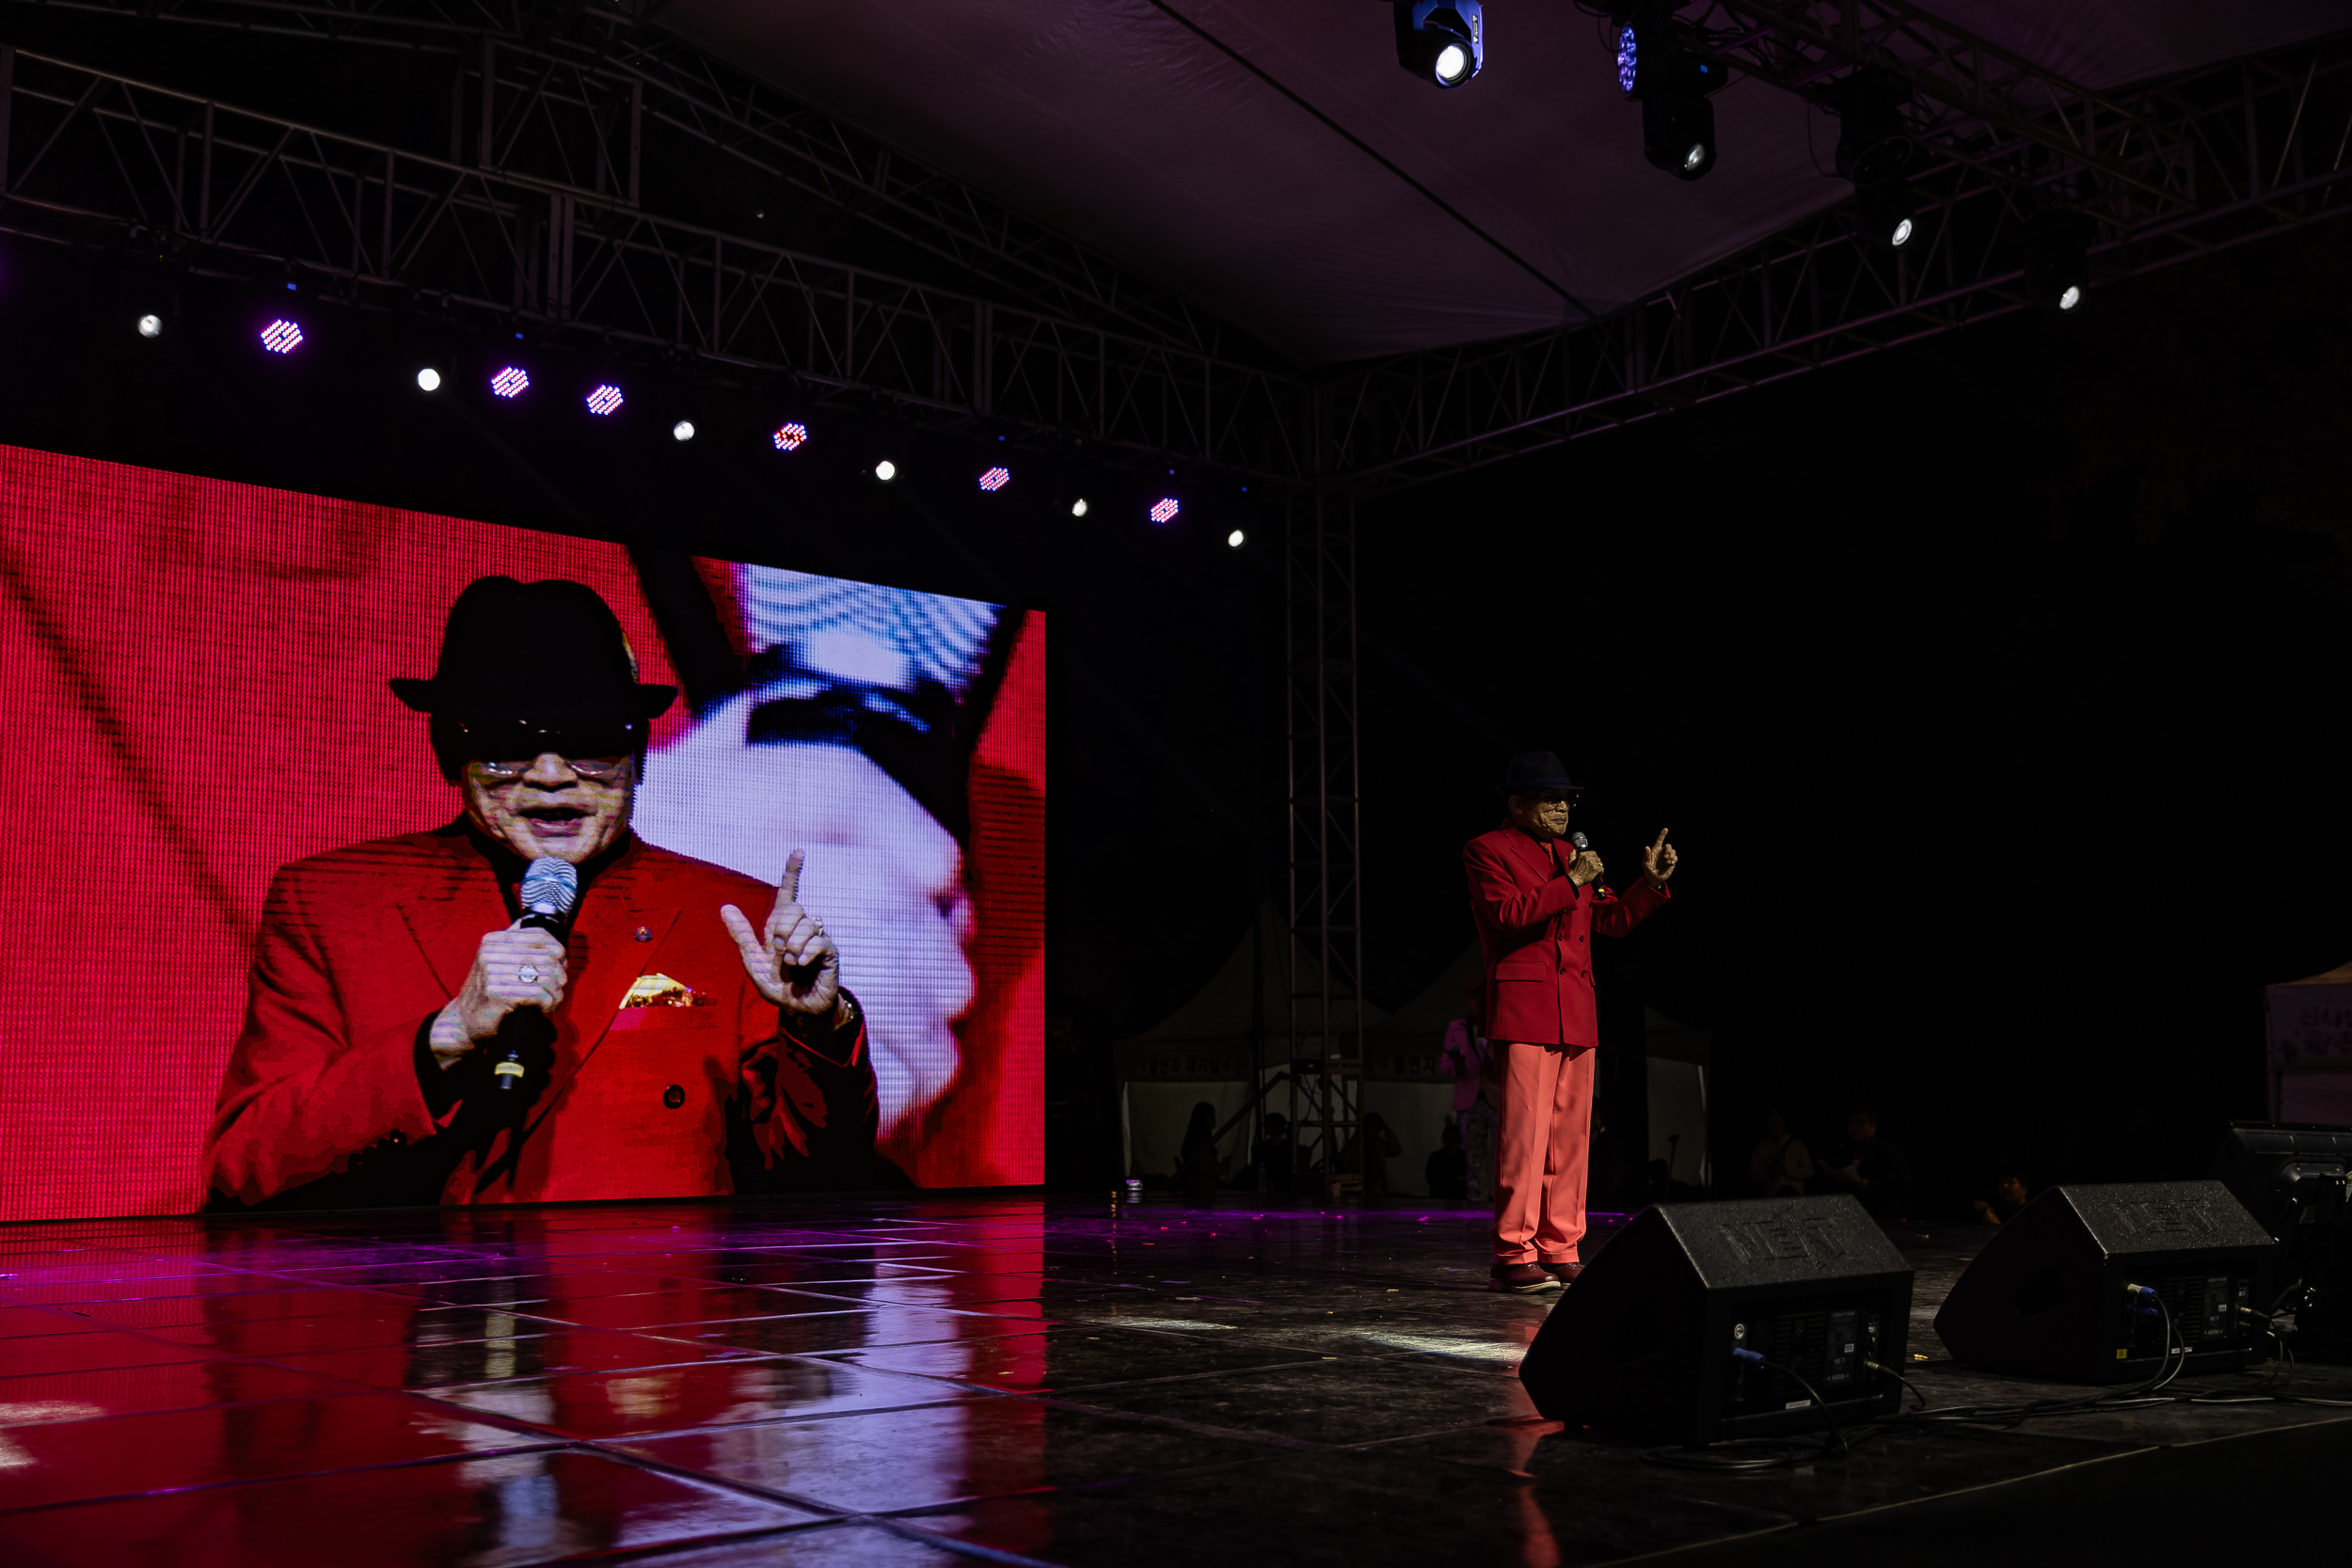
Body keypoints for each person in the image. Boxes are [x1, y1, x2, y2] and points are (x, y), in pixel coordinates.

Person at [203, 577, 882, 1209]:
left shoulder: (735, 917)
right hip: (407, 1319)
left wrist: (821, 1027)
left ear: (638, 753)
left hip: (649, 1321)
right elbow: (246, 1166)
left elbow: (817, 1180)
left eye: (589, 739)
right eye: (509, 741)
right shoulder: (334, 903)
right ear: (451, 751)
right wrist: (443, 1038)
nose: (552, 773)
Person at [1464, 752, 1675, 1291]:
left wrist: (1647, 885)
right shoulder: (1487, 850)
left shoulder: (1573, 854)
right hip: (1525, 1010)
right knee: (1524, 1139)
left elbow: (1612, 920)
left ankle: (1560, 1247)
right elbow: (1508, 915)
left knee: (1570, 1141)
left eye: (1567, 800)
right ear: (1517, 803)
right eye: (1550, 798)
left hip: (1576, 1012)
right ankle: (1512, 1253)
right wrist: (1570, 880)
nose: (1562, 808)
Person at [1817, 1108, 1915, 1219]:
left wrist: (1870, 1184)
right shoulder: (1844, 1149)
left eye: (1861, 1123)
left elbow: (1903, 1184)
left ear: (1873, 1126)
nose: (1855, 1127)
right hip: (1852, 1213)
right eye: (1851, 1123)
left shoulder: (1887, 1152)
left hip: (1882, 1214)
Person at [1339, 1110, 1405, 1199]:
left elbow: (1395, 1151)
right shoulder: (1356, 1143)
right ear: (1366, 1126)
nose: (1376, 1130)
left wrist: (1388, 1132)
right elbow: (1343, 1162)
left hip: (1376, 1185)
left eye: (1378, 1127)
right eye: (1373, 1126)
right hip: (1361, 1185)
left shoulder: (1378, 1142)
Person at [1750, 1109, 1814, 1197]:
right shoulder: (1761, 1147)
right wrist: (1768, 1174)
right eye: (1772, 1122)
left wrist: (1787, 1171)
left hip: (1795, 1195)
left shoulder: (1797, 1146)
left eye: (1778, 1121)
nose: (1776, 1125)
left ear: (1784, 1123)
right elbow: (1754, 1173)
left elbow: (1809, 1171)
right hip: (1771, 1196)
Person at [1176, 1101, 1228, 1204]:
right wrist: (1223, 1166)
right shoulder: (1203, 1143)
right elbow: (1206, 1167)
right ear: (1202, 1118)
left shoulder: (1194, 1141)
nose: (1215, 1119)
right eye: (1211, 1115)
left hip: (1196, 1191)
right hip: (1203, 1191)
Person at [1425, 1120, 1470, 1200]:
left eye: (1455, 1137)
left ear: (1460, 1139)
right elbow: (1431, 1178)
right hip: (1438, 1197)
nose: (1452, 1140)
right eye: (1450, 1137)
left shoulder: (1466, 1158)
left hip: (1459, 1199)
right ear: (1444, 1138)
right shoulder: (1435, 1157)